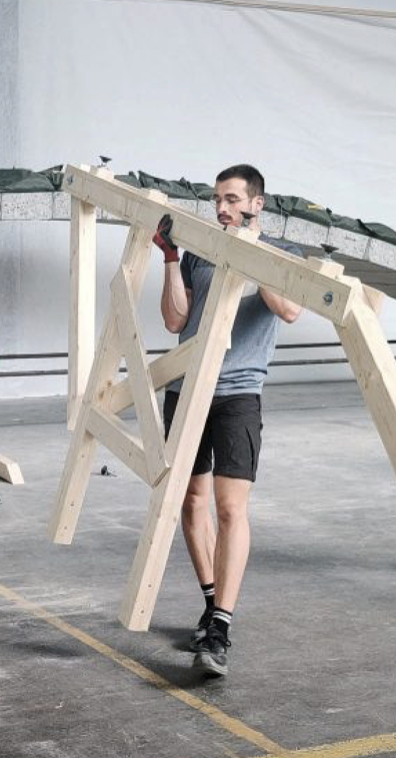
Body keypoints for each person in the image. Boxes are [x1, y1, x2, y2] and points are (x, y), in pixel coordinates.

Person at [154, 164, 302, 676]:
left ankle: (220, 625)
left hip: (238, 393)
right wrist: (172, 259)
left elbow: (287, 310)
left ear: (257, 203)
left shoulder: (282, 254)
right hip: (185, 387)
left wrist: (248, 249)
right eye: (217, 198)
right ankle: (211, 598)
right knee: (190, 499)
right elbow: (175, 320)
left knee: (230, 507)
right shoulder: (198, 248)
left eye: (233, 198)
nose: (222, 207)